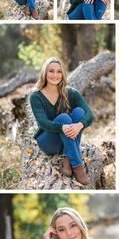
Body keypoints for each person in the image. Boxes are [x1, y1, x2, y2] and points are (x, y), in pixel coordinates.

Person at [30, 57, 94, 185]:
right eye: (51, 71)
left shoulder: (71, 93)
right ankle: (77, 165)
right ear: (45, 73)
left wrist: (79, 125)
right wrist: (62, 127)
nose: (55, 75)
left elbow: (89, 114)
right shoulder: (36, 96)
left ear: (63, 74)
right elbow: (43, 122)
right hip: (47, 141)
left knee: (79, 113)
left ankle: (67, 157)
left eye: (59, 71)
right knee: (64, 119)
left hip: (66, 137)